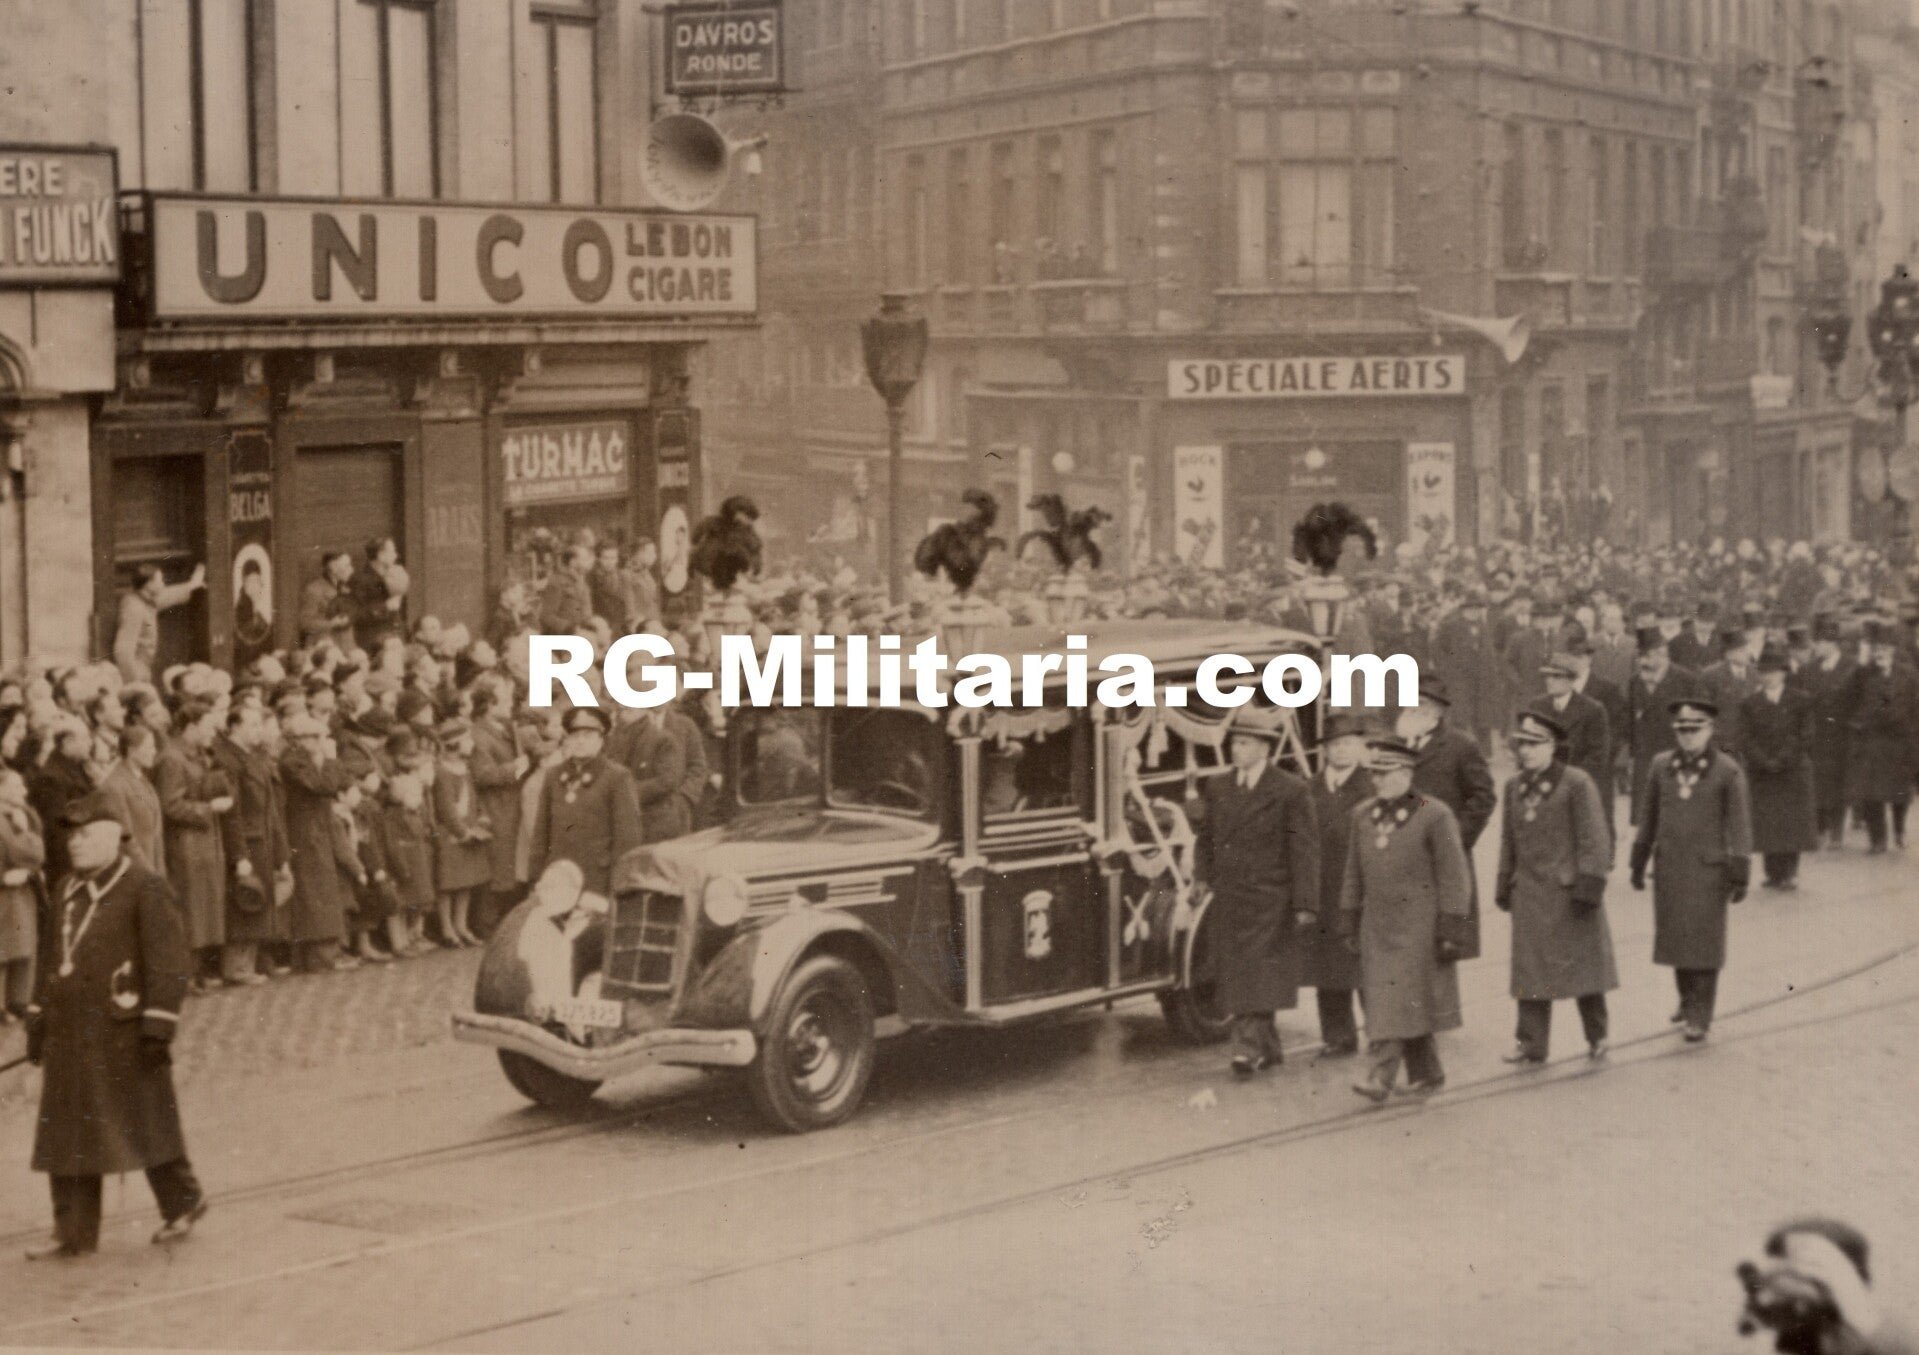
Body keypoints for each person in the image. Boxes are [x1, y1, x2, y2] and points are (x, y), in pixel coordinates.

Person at [22, 795, 207, 1259]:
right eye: (70, 837)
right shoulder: (65, 888)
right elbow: (52, 958)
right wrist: (39, 1016)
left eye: (84, 836)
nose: (74, 844)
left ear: (110, 837)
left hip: (124, 1033)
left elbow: (169, 964)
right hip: (70, 1035)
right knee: (68, 1131)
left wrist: (158, 1027)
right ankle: (73, 1233)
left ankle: (183, 1202)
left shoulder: (144, 887)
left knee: (145, 1124)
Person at [1341, 736, 1474, 1102]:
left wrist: (1451, 928)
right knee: (1402, 1000)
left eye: (1385, 773)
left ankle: (1379, 1077)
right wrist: (1348, 918)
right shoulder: (1363, 815)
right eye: (1374, 774)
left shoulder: (1435, 814)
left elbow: (1454, 876)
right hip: (1377, 926)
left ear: (1406, 772)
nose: (1377, 781)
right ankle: (1427, 1073)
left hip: (1419, 927)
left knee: (1393, 1000)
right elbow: (1353, 871)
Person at [1193, 709, 1319, 1076]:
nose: (1236, 750)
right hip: (1231, 897)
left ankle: (1246, 1049)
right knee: (1242, 972)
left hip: (1270, 897)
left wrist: (1305, 903)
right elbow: (1206, 839)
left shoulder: (1290, 789)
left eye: (1245, 743)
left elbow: (1304, 849)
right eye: (1234, 742)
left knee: (1255, 971)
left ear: (1264, 748)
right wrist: (1201, 877)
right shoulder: (1218, 786)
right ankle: (1268, 1046)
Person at [1494, 711, 1616, 1064]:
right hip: (1529, 894)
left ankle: (1597, 1036)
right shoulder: (1514, 786)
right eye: (1522, 744)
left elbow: (1595, 838)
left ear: (1553, 746)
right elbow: (1508, 840)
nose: (1526, 751)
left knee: (1584, 968)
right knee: (1530, 971)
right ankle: (1531, 1043)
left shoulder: (1576, 783)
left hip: (1570, 894)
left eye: (1534, 744)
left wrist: (1590, 886)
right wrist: (1504, 882)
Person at [1629, 699, 1752, 1043]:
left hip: (1709, 870)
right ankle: (1686, 1000)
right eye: (1682, 731)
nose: (1688, 737)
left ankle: (1700, 1015)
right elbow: (1648, 816)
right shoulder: (1660, 766)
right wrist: (1638, 861)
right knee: (1676, 941)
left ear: (1710, 730)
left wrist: (1740, 868)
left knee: (1704, 944)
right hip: (1670, 868)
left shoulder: (1727, 770)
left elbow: (1740, 825)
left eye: (1695, 730)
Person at [1395, 675, 1495, 961]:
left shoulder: (1460, 745)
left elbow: (1483, 797)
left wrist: (1455, 840)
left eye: (1422, 703)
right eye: (1410, 702)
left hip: (1442, 857)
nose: (1413, 708)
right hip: (1400, 854)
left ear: (1438, 711)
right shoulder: (1394, 743)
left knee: (1440, 946)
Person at [1302, 713, 1373, 1060]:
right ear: (1325, 750)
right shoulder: (1310, 788)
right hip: (1322, 891)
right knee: (1327, 967)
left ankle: (1382, 1033)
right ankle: (1338, 1037)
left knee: (1365, 967)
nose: (1341, 751)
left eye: (1348, 743)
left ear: (1360, 748)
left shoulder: (1372, 786)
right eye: (1334, 745)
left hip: (1360, 891)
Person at [155, 699, 234, 992]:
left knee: (204, 911)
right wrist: (207, 808)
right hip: (186, 844)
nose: (212, 733)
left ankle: (196, 972)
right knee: (190, 911)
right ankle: (184, 976)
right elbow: (171, 805)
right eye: (207, 728)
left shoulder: (198, 755)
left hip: (203, 842)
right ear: (190, 728)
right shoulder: (172, 759)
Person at [211, 702, 289, 983]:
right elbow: (232, 813)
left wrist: (281, 852)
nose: (258, 730)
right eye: (252, 725)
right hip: (246, 839)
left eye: (259, 724)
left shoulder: (252, 757)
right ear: (234, 727)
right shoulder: (228, 760)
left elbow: (269, 808)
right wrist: (239, 854)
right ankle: (236, 966)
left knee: (257, 900)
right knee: (244, 901)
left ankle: (251, 962)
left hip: (262, 837)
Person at [528, 707, 643, 897]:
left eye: (588, 735)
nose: (580, 741)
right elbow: (541, 831)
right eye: (575, 735)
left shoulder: (617, 777)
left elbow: (627, 837)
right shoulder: (554, 776)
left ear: (601, 739)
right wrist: (536, 877)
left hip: (597, 879)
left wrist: (619, 883)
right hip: (557, 876)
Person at [279, 714, 356, 973]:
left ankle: (318, 954)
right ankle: (321, 955)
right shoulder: (292, 762)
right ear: (299, 739)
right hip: (304, 831)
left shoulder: (310, 761)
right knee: (315, 891)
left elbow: (343, 781)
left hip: (318, 828)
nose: (320, 742)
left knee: (321, 889)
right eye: (315, 737)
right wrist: (328, 760)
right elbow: (323, 785)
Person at [1740, 647, 1818, 891]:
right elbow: (1745, 737)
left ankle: (1790, 872)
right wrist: (1762, 760)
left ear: (1783, 673)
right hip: (1762, 771)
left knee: (1791, 822)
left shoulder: (1800, 699)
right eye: (1763, 672)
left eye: (1773, 672)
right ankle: (1772, 872)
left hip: (1792, 769)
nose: (1768, 677)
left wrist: (1782, 759)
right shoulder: (1750, 703)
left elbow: (1804, 735)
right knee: (1767, 822)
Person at [1843, 620, 1918, 855]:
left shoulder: (1907, 674)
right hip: (1871, 741)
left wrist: (1913, 737)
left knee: (1899, 794)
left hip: (1899, 741)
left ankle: (1899, 830)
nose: (1881, 654)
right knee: (1871, 794)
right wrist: (1860, 666)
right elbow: (1846, 696)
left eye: (1885, 649)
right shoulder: (1863, 673)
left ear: (1893, 650)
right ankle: (1878, 839)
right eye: (1877, 649)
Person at [1624, 626, 1702, 827]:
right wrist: (1632, 758)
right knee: (1647, 823)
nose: (1643, 662)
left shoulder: (1686, 681)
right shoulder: (1635, 682)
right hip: (1645, 763)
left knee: (1676, 820)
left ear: (1663, 653)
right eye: (1640, 656)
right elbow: (1632, 724)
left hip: (1675, 758)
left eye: (1648, 656)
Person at [1531, 652, 1612, 841]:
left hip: (1575, 787)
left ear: (1571, 680)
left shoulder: (1593, 709)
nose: (1550, 681)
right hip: (1543, 786)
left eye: (1557, 676)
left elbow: (1597, 756)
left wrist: (1569, 782)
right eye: (1548, 676)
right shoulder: (1537, 705)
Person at [432, 718, 491, 946]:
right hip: (451, 836)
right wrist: (462, 832)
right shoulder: (442, 772)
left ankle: (461, 925)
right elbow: (446, 808)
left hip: (469, 830)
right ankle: (447, 928)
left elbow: (474, 799)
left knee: (466, 882)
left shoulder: (464, 769)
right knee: (449, 885)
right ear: (454, 744)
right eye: (466, 739)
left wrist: (482, 819)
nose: (471, 744)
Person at [1801, 615, 1855, 848]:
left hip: (1841, 734)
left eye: (1820, 642)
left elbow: (1856, 700)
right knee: (1818, 781)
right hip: (1817, 733)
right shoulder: (1810, 668)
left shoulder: (1851, 666)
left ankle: (1836, 831)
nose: (1816, 646)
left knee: (1839, 782)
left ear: (1832, 643)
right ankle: (1820, 828)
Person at [111, 562, 207, 686]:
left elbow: (167, 595)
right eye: (160, 580)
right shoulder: (134, 607)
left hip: (143, 669)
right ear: (149, 584)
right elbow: (123, 650)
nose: (163, 584)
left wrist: (192, 584)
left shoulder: (145, 599)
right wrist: (133, 681)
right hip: (136, 671)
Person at [0, 768, 44, 1022]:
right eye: (17, 787)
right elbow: (24, 853)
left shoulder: (24, 815)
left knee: (21, 948)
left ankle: (16, 1001)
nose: (24, 792)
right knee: (6, 950)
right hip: (7, 891)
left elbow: (38, 855)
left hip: (19, 891)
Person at [95, 725, 166, 878]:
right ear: (132, 751)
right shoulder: (115, 785)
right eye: (149, 747)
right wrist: (148, 874)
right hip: (134, 874)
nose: (154, 752)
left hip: (151, 870)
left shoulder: (142, 779)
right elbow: (126, 838)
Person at [299, 550, 357, 647]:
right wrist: (331, 623)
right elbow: (304, 623)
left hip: (347, 645)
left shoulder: (346, 589)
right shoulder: (314, 590)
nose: (352, 570)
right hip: (323, 647)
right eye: (347, 565)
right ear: (333, 567)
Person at [539, 545, 595, 636]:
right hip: (561, 637)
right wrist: (569, 628)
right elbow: (546, 616)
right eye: (584, 559)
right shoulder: (556, 582)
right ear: (572, 562)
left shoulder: (583, 582)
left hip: (581, 634)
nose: (589, 562)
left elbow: (585, 614)